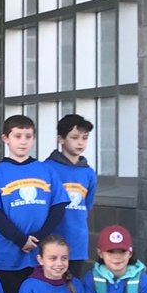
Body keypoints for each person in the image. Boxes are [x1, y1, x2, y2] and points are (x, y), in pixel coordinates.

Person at [0, 115, 69, 293]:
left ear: (34, 138)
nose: (23, 141)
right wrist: (20, 239)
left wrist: (38, 237)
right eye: (18, 136)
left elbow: (59, 207)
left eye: (28, 136)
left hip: (42, 253)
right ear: (5, 138)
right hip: (9, 254)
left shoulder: (45, 170)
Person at [46, 114, 98, 275]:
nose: (80, 142)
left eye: (85, 138)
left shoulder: (89, 173)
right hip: (52, 241)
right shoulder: (47, 169)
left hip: (77, 242)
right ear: (61, 139)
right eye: (74, 137)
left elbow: (86, 205)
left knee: (73, 288)